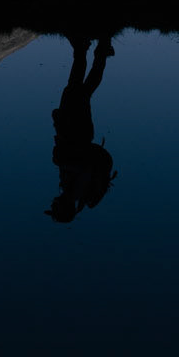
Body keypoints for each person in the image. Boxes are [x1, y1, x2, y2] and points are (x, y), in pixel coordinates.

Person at [48, 34, 117, 223]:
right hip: (76, 133)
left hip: (74, 133)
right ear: (64, 208)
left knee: (81, 91)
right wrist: (61, 161)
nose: (53, 203)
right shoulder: (77, 192)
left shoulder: (71, 190)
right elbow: (84, 168)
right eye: (55, 208)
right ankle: (85, 49)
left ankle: (94, 50)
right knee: (77, 90)